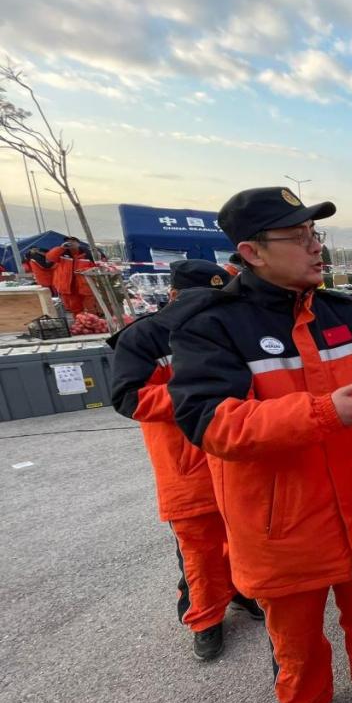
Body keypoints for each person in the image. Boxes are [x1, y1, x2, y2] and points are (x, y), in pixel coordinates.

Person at [165, 187, 352, 703]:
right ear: (251, 252)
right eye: (301, 238)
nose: (317, 248)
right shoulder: (210, 325)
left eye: (316, 235)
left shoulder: (338, 312)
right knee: (296, 641)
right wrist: (322, 411)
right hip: (281, 530)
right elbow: (212, 424)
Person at [109, 260, 262, 661]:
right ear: (173, 296)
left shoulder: (231, 329)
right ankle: (205, 618)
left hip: (236, 459)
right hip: (185, 469)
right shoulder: (143, 337)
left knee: (244, 538)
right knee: (198, 551)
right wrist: (195, 393)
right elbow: (128, 398)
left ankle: (243, 592)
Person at [46, 236, 91, 314]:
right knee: (75, 309)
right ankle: (80, 322)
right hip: (68, 287)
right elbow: (50, 257)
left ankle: (91, 322)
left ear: (78, 243)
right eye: (68, 241)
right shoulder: (61, 253)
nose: (70, 243)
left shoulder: (87, 253)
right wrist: (61, 248)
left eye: (73, 241)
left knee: (89, 308)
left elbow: (94, 266)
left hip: (84, 286)